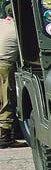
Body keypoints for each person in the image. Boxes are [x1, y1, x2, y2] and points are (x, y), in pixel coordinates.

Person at [0, 12, 18, 149]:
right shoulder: (16, 28)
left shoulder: (2, 23)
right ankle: (4, 137)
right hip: (4, 65)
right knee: (6, 100)